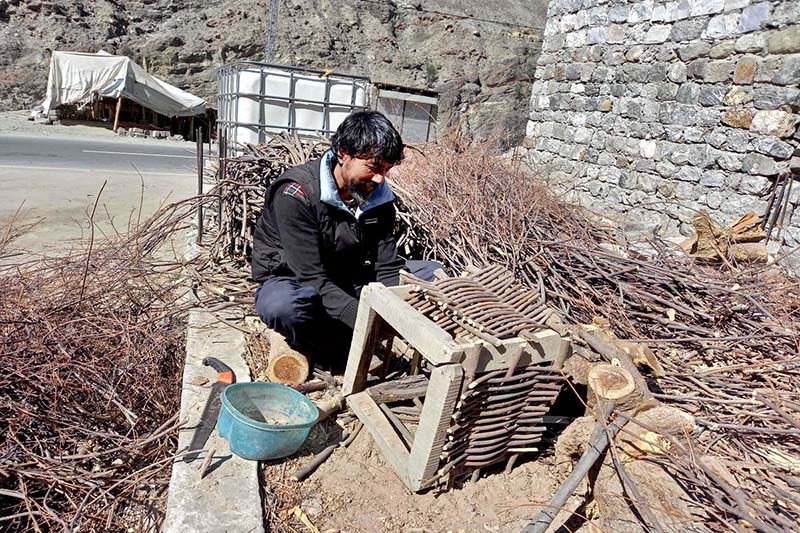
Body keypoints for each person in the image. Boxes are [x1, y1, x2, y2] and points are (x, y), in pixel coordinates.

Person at [251, 110, 441, 364]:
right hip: (294, 277)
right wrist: (365, 320)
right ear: (343, 153)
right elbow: (311, 277)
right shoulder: (296, 194)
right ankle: (338, 346)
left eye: (386, 169)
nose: (379, 178)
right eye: (373, 166)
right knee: (283, 308)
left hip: (348, 274)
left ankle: (345, 335)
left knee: (434, 275)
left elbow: (386, 264)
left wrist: (396, 307)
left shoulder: (378, 196)